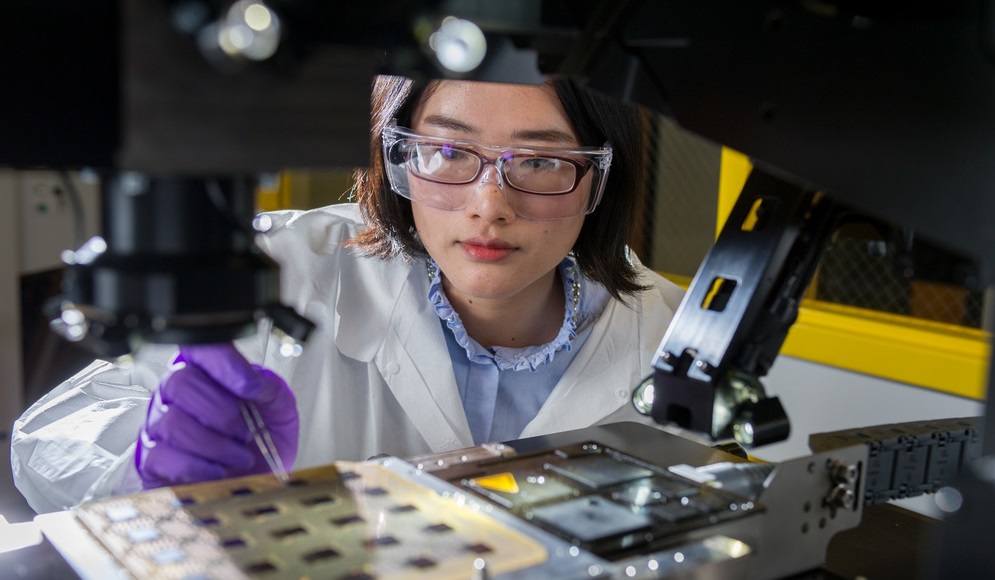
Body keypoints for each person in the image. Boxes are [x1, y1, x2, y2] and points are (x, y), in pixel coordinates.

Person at [11, 75, 686, 514]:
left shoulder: (669, 330)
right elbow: (45, 439)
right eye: (448, 153)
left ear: (600, 178)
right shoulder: (282, 268)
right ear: (394, 157)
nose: (489, 206)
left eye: (539, 161)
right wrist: (144, 468)